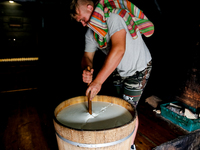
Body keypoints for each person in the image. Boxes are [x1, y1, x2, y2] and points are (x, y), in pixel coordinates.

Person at [70, 0, 154, 149]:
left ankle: (130, 146)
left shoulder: (113, 17)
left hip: (139, 68)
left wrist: (98, 81)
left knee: (128, 109)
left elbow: (119, 49)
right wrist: (87, 69)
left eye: (82, 19)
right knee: (118, 106)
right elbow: (87, 57)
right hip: (119, 69)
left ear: (90, 8)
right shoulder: (91, 32)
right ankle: (116, 141)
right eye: (80, 22)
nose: (83, 24)